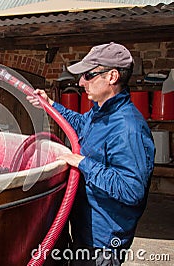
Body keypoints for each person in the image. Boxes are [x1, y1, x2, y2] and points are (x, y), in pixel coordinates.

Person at [27, 42, 155, 265]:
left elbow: (131, 190)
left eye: (88, 75)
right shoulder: (102, 113)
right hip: (86, 230)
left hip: (102, 243)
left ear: (112, 76)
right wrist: (51, 105)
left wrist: (83, 163)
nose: (81, 82)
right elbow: (80, 124)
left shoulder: (127, 128)